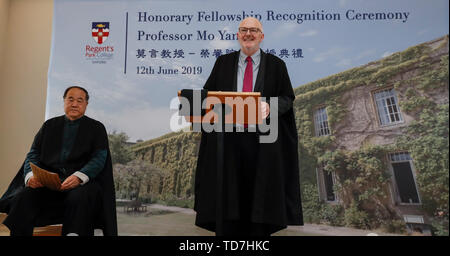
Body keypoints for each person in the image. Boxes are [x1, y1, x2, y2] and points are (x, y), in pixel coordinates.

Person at [194, 17, 303, 236]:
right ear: (237, 35)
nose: (248, 34)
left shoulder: (277, 65)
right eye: (243, 30)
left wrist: (270, 107)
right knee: (228, 200)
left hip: (262, 144)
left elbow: (287, 98)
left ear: (262, 36)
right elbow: (207, 96)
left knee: (259, 202)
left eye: (254, 30)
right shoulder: (223, 63)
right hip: (228, 144)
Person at [0, 86, 117, 236]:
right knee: (25, 196)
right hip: (49, 185)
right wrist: (31, 177)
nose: (74, 104)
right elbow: (33, 153)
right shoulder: (49, 126)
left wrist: (79, 177)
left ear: (86, 104)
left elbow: (99, 158)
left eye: (79, 100)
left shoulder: (96, 128)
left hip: (82, 185)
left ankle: (73, 233)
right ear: (64, 102)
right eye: (70, 99)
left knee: (79, 197)